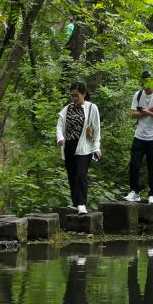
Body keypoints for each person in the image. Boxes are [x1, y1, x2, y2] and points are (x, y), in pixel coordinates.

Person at [55, 82, 102, 214]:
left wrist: (96, 147)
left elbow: (96, 130)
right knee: (72, 175)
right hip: (69, 145)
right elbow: (59, 125)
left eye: (76, 96)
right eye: (72, 96)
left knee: (81, 174)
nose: (74, 98)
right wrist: (60, 138)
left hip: (84, 146)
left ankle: (81, 204)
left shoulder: (92, 108)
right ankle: (75, 203)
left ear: (84, 94)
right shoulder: (67, 108)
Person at [125, 71, 153, 204]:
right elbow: (133, 114)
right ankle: (134, 192)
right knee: (134, 164)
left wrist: (147, 111)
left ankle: (152, 195)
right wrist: (148, 111)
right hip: (139, 136)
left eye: (149, 81)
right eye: (144, 81)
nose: (147, 85)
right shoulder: (138, 95)